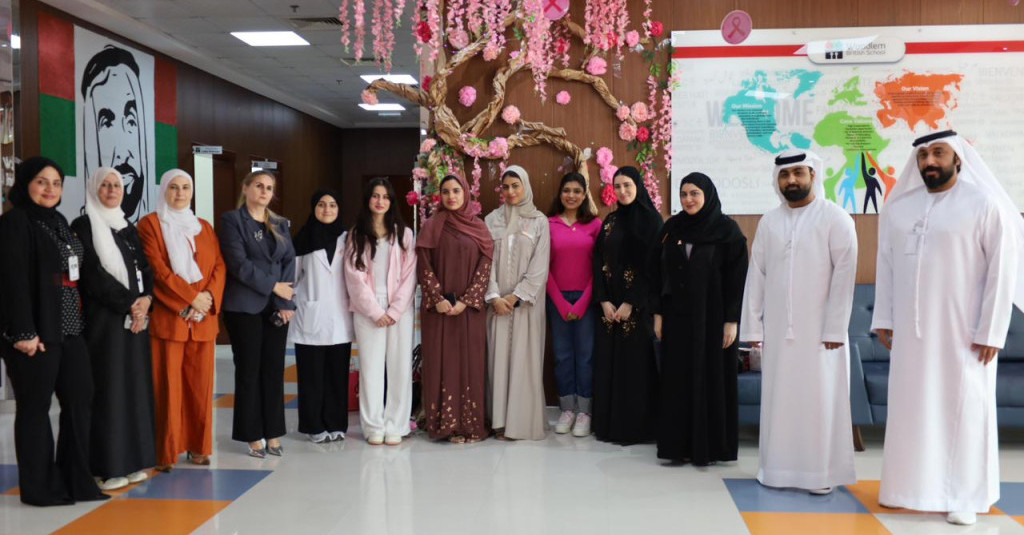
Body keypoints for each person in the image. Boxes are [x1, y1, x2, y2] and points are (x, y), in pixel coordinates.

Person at [871, 130, 1023, 525]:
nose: (929, 162)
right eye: (922, 155)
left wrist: (991, 331)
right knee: (911, 410)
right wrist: (884, 318)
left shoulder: (983, 204)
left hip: (965, 333)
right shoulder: (899, 208)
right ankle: (905, 489)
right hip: (911, 333)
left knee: (964, 412)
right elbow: (885, 265)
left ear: (959, 158)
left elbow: (1001, 273)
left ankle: (965, 496)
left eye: (938, 153)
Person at [740, 150, 858, 493]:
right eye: (784, 175)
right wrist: (753, 328)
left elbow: (844, 278)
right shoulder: (770, 222)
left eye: (798, 173)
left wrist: (835, 328)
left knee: (819, 400)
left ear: (813, 175)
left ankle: (820, 475)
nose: (791, 180)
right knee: (780, 401)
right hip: (778, 332)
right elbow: (757, 276)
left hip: (822, 334)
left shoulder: (836, 218)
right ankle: (776, 471)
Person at [0, 157, 108, 505]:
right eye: (42, 182)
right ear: (26, 183)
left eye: (57, 183)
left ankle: (76, 480)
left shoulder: (60, 221)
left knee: (80, 399)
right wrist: (22, 332)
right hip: (34, 332)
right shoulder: (14, 222)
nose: (50, 189)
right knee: (35, 408)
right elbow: (11, 281)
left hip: (69, 329)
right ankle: (39, 487)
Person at [651, 172, 747, 466]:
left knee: (711, 377)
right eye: (683, 194)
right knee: (678, 379)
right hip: (677, 317)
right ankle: (677, 447)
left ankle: (711, 448)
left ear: (707, 195)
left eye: (694, 193)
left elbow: (738, 279)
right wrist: (658, 314)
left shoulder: (727, 231)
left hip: (714, 318)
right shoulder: (672, 228)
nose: (688, 200)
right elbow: (656, 272)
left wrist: (731, 320)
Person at [71, 167, 156, 490]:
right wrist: (130, 304)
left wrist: (146, 300)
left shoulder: (126, 227)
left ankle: (133, 460)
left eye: (116, 185)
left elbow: (145, 269)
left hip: (136, 322)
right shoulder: (83, 226)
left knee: (134, 389)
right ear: (94, 189)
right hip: (105, 323)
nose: (111, 190)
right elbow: (92, 276)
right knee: (109, 390)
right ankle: (109, 465)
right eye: (104, 185)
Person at [138, 169, 226, 471]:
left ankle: (199, 447)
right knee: (167, 387)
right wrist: (190, 299)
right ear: (164, 190)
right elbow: (157, 270)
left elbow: (218, 266)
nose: (180, 193)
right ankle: (166, 451)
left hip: (202, 321)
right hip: (170, 319)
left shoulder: (203, 226)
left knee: (200, 389)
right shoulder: (150, 224)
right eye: (173, 188)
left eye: (185, 187)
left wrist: (207, 299)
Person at [220, 171, 296, 458]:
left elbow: (289, 260)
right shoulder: (232, 221)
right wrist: (272, 285)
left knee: (274, 371)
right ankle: (252, 435)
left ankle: (273, 432)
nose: (264, 192)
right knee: (250, 371)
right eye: (259, 186)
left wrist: (285, 301)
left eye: (269, 188)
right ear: (246, 188)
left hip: (276, 306)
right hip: (244, 307)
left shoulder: (279, 223)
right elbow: (238, 264)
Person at [416, 173, 493, 443]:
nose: (451, 196)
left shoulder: (480, 227)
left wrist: (467, 300)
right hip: (439, 312)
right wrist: (437, 297)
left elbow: (485, 265)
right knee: (441, 363)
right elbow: (423, 265)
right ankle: (445, 426)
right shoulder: (432, 225)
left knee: (470, 364)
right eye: (446, 191)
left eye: (456, 191)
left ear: (466, 194)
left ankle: (469, 426)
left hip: (469, 311)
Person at [592, 165, 663, 444]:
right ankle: (609, 426)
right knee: (610, 365)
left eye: (627, 186)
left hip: (638, 309)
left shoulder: (652, 221)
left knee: (634, 368)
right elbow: (598, 261)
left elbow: (652, 268)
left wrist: (630, 303)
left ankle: (636, 429)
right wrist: (604, 301)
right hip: (609, 310)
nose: (622, 192)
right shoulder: (610, 221)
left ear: (638, 187)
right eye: (617, 186)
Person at [344, 178, 417, 445]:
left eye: (385, 197)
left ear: (391, 202)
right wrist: (375, 312)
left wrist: (395, 310)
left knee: (399, 368)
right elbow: (354, 277)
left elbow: (410, 276)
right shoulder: (356, 234)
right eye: (375, 196)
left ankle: (396, 424)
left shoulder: (405, 234)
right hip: (368, 309)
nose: (380, 201)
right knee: (371, 368)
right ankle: (373, 425)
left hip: (400, 308)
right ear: (368, 200)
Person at [484, 165, 550, 441]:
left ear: (525, 187)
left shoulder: (538, 221)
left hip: (526, 307)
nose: (510, 192)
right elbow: (484, 263)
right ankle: (499, 422)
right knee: (497, 361)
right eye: (506, 187)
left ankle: (521, 423)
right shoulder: (490, 221)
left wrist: (517, 296)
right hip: (496, 306)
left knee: (525, 360)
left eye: (516, 186)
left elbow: (540, 266)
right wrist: (495, 296)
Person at [290, 189, 355, 443]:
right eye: (321, 205)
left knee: (337, 375)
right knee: (311, 377)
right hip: (311, 318)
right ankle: (314, 426)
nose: (327, 210)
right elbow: (291, 279)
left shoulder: (348, 239)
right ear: (313, 208)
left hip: (340, 318)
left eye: (332, 205)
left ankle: (336, 423)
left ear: (339, 209)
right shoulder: (302, 240)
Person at [547, 171, 602, 437]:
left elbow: (599, 268)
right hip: (556, 299)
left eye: (577, 191)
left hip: (587, 301)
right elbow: (542, 268)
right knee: (562, 355)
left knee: (586, 355)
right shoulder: (548, 225)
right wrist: (559, 301)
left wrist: (581, 303)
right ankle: (567, 408)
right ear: (560, 193)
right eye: (567, 190)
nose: (571, 196)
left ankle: (585, 411)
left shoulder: (595, 225)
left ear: (584, 195)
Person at [80, 45, 150, 220]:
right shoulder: (83, 229)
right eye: (107, 124)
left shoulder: (132, 233)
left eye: (132, 121)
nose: (123, 153)